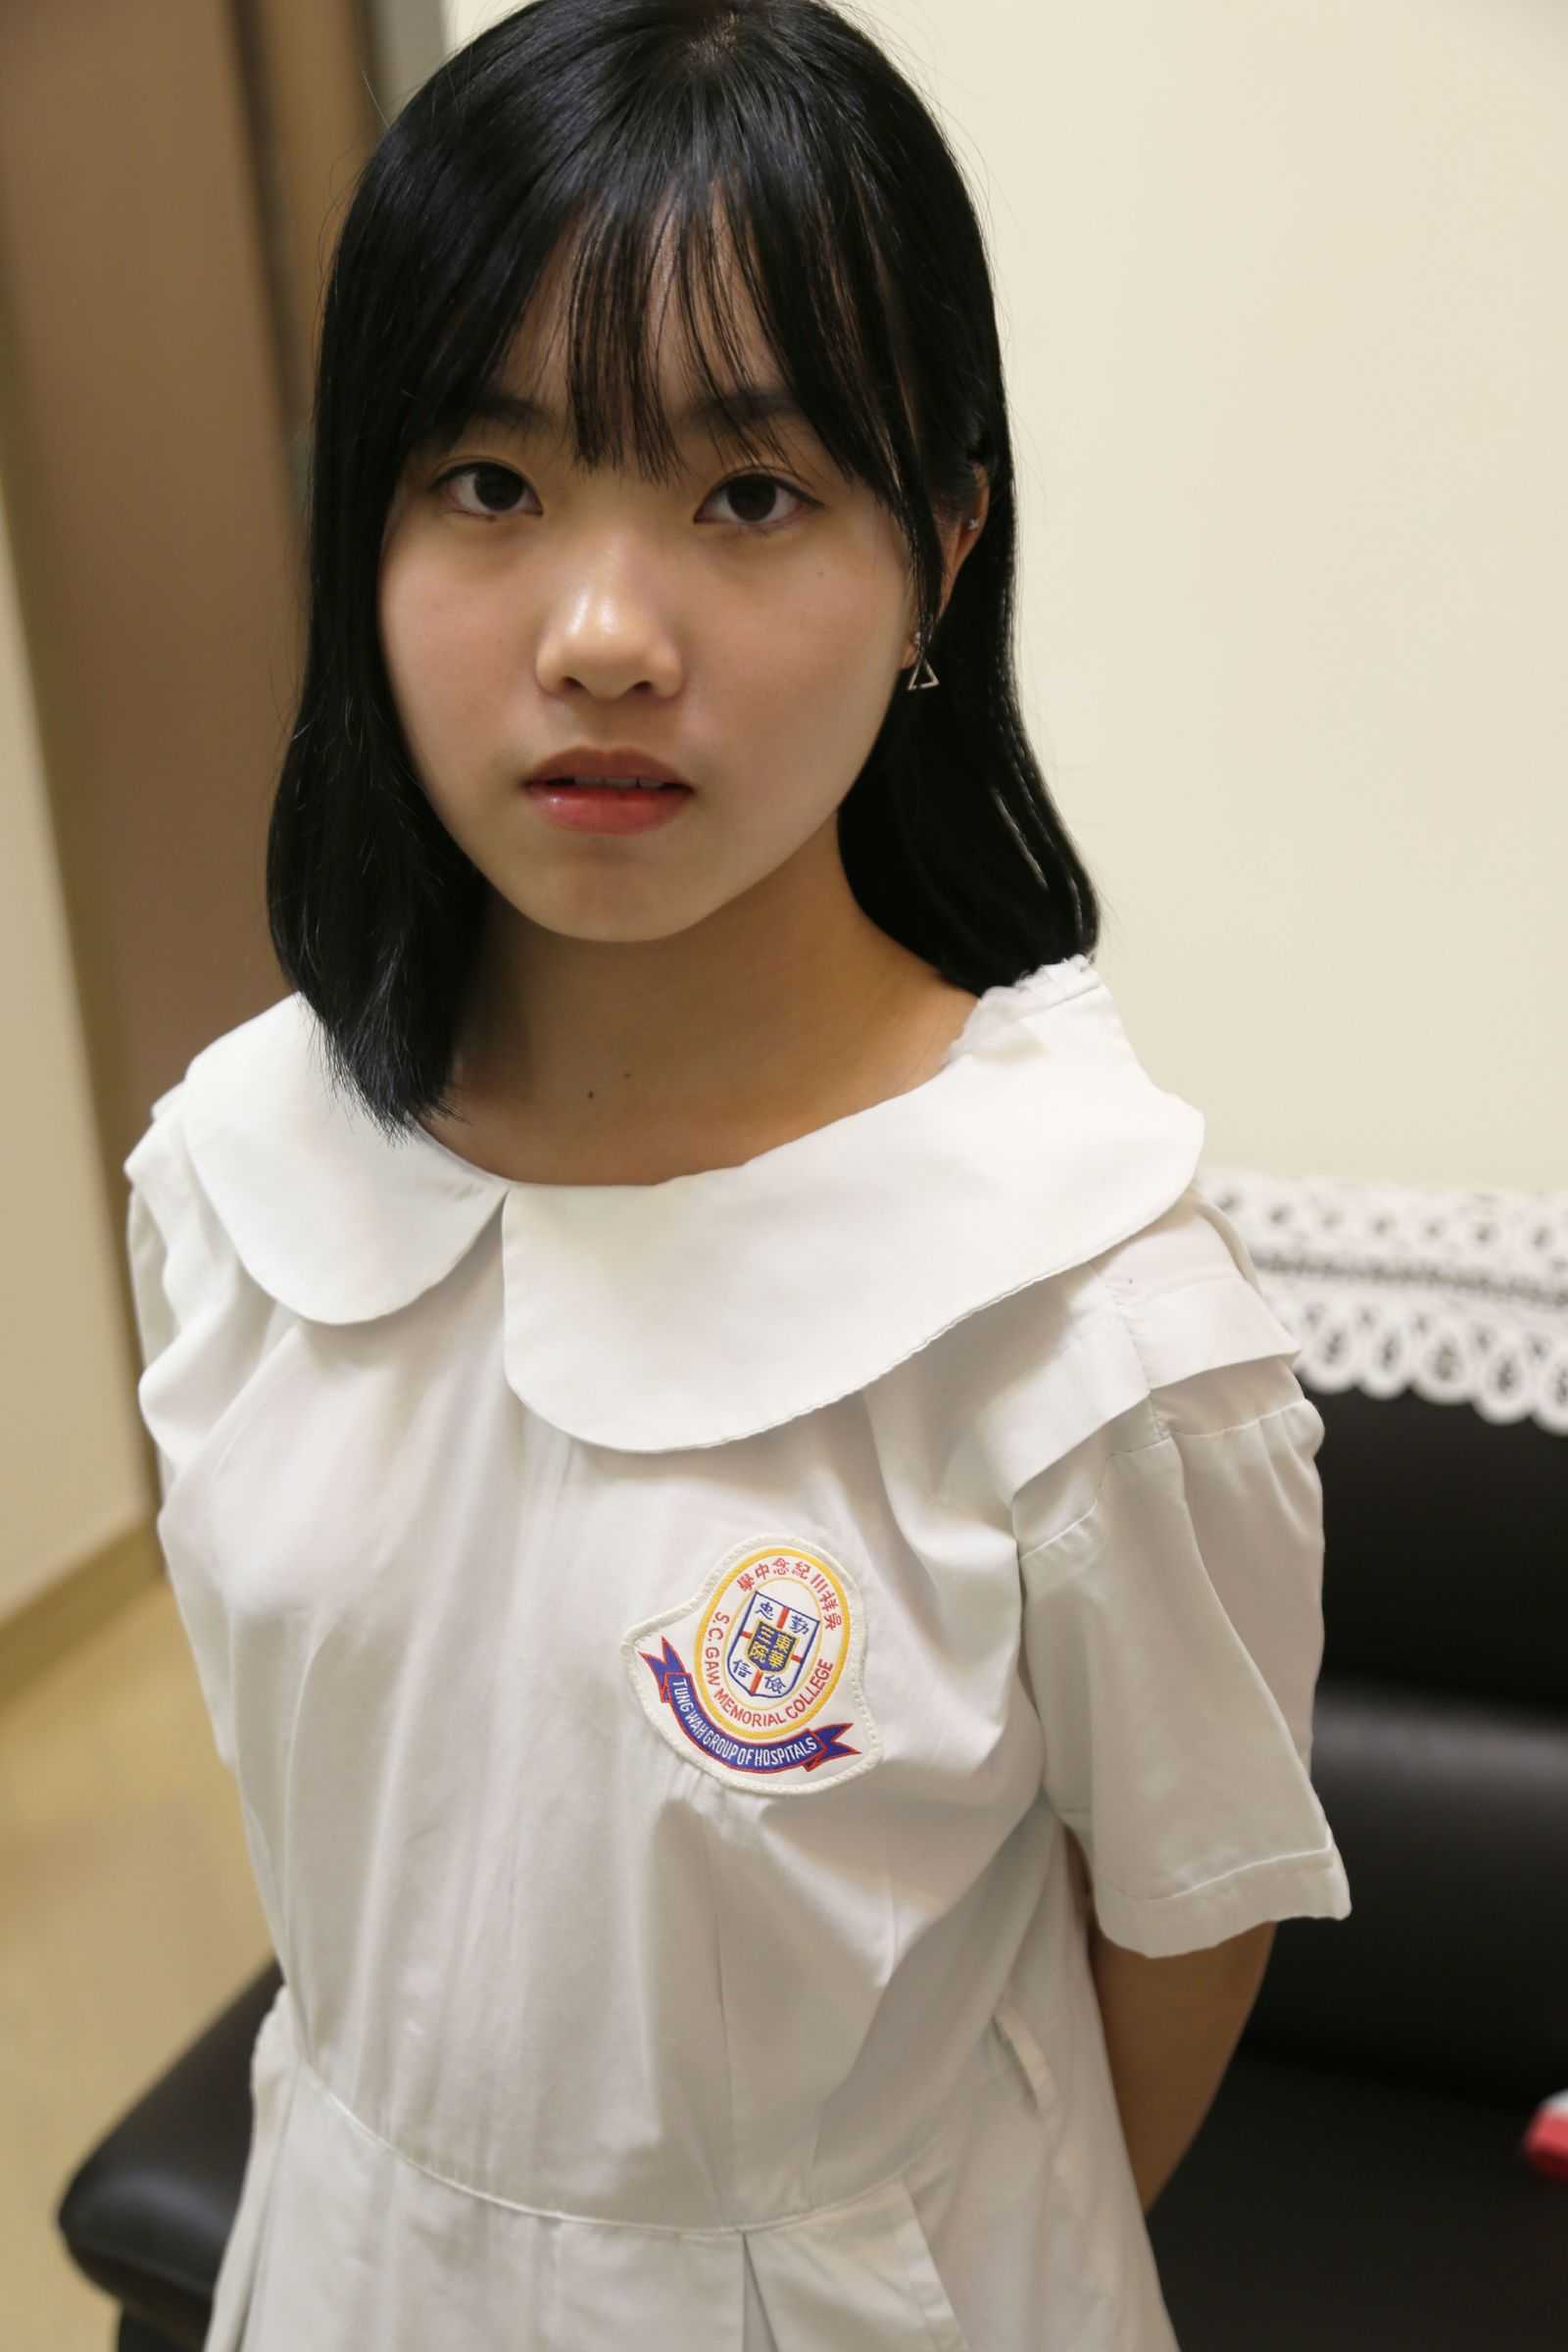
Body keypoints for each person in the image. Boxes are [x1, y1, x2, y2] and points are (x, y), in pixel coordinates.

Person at [122, 2, 1350, 2345]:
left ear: (938, 550)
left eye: (750, 495)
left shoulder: (1083, 1312)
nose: (603, 637)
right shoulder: (240, 1176)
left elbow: (1181, 1933)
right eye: (488, 482)